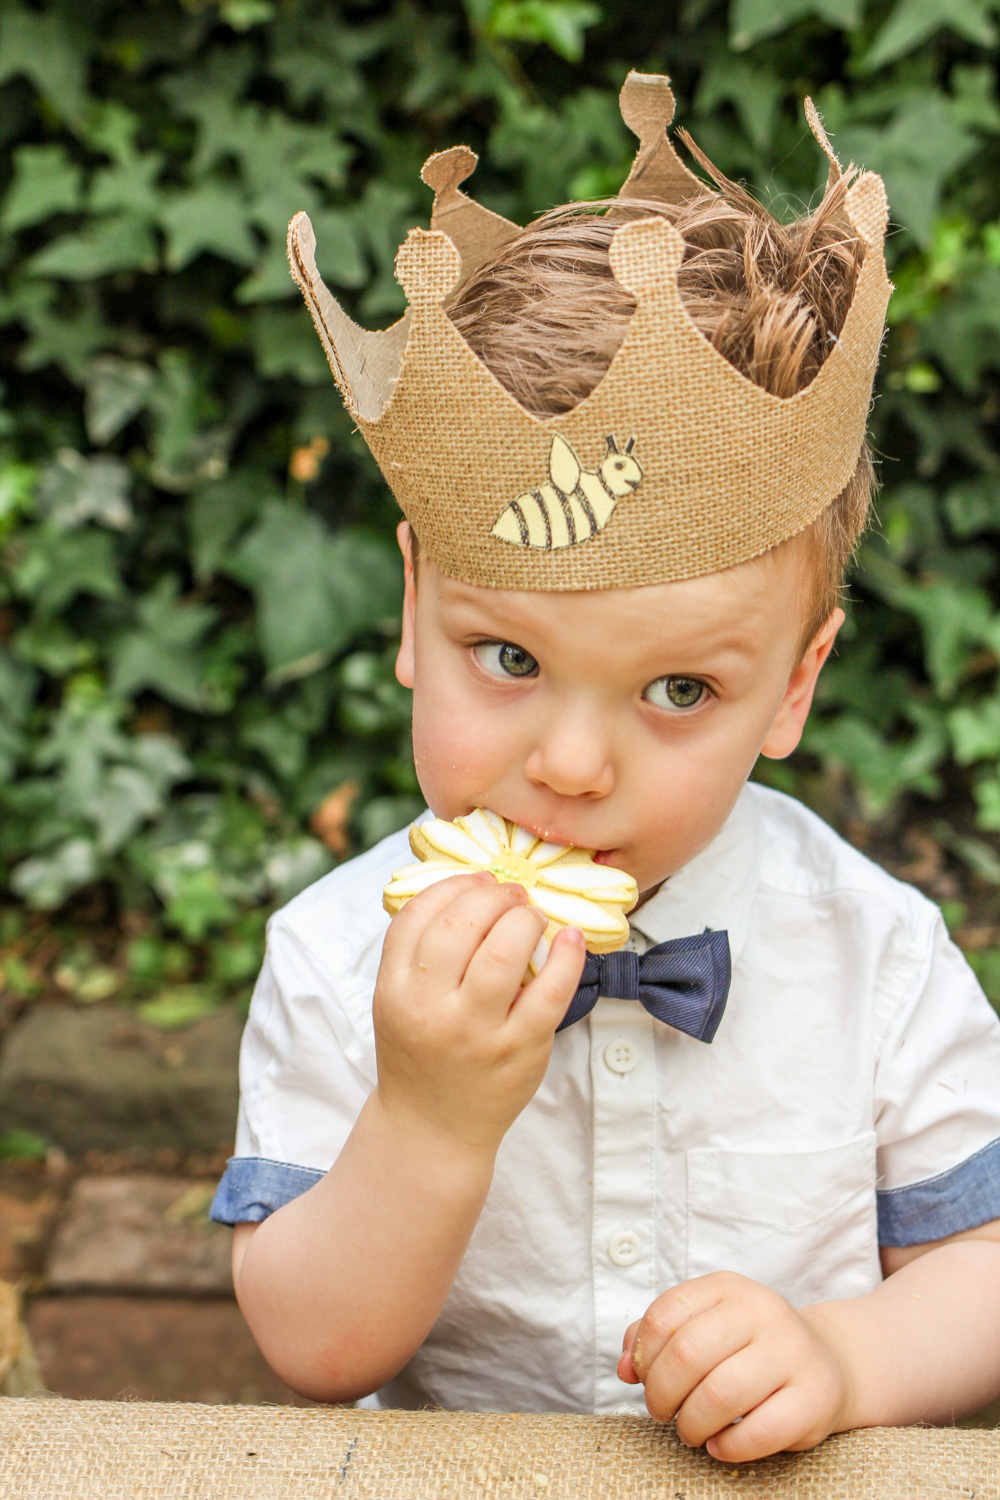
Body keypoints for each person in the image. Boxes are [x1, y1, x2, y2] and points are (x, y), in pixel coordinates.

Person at [210, 73, 1000, 1462]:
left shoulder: (874, 952)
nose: (572, 766)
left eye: (680, 689)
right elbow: (314, 1350)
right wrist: (429, 1124)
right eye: (508, 660)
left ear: (796, 685)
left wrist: (844, 1351)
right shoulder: (338, 958)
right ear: (414, 614)